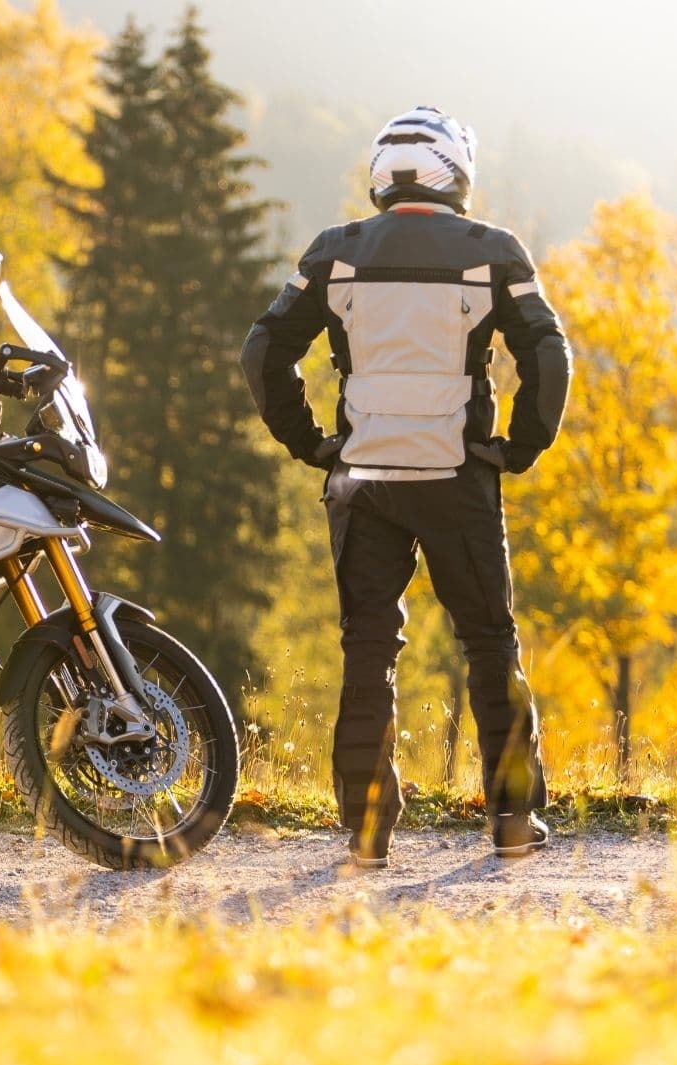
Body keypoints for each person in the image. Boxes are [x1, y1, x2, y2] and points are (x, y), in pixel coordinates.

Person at [238, 105, 573, 865]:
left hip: (364, 482)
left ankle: (365, 834)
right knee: (489, 643)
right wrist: (518, 448)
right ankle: (514, 823)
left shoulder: (334, 254)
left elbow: (263, 352)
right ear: (455, 172)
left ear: (383, 175)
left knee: (368, 650)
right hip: (457, 479)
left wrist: (310, 443)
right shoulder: (492, 253)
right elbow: (548, 355)